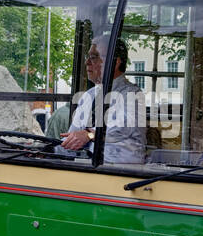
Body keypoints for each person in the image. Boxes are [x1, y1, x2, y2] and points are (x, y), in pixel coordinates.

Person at [58, 35, 146, 165]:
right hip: (85, 167)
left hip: (121, 172)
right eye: (87, 57)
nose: (87, 62)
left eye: (94, 57)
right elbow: (73, 137)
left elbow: (119, 129)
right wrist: (43, 150)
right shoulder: (89, 96)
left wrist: (89, 135)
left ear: (115, 62)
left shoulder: (132, 95)